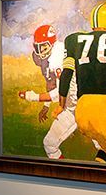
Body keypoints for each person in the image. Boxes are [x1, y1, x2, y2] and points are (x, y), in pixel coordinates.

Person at [57, 2, 106, 164]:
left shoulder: (74, 40)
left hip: (82, 111)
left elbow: (67, 73)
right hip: (105, 108)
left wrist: (60, 105)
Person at [17, 24, 81, 160]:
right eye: (38, 47)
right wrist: (46, 106)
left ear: (52, 44)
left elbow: (59, 92)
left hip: (75, 107)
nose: (40, 51)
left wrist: (32, 97)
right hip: (77, 103)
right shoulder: (59, 52)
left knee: (50, 144)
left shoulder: (57, 60)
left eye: (44, 46)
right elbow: (53, 84)